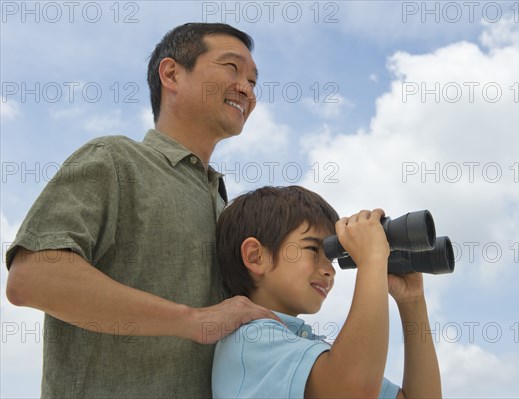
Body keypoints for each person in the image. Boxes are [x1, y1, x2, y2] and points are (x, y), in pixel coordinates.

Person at [5, 23, 280, 398]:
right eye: (231, 68)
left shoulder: (224, 206)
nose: (246, 88)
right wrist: (194, 321)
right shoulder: (115, 160)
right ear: (171, 74)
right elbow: (33, 277)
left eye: (253, 80)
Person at [212, 185, 442, 398]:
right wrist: (372, 260)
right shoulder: (249, 340)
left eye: (331, 256)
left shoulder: (307, 348)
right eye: (313, 248)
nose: (329, 270)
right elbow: (355, 390)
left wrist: (412, 302)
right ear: (256, 256)